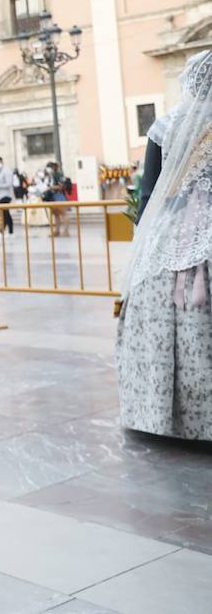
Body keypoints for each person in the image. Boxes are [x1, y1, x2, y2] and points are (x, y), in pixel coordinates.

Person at [118, 49, 212, 440]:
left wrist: (142, 247)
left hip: (167, 236)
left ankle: (158, 413)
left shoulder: (164, 126)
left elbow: (150, 194)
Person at [0, 155, 15, 236]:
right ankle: (7, 231)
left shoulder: (7, 171)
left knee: (5, 213)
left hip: (6, 195)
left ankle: (6, 231)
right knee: (4, 213)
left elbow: (9, 184)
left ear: (2, 162)